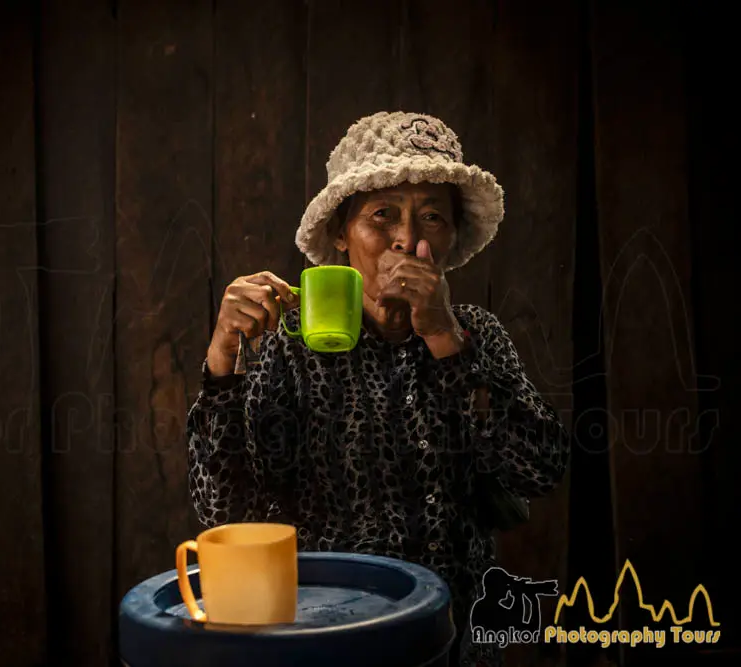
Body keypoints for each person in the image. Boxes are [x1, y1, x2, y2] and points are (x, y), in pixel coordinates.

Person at [185, 111, 570, 666]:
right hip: (327, 636)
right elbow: (224, 510)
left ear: (451, 238)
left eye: (431, 217)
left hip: (453, 636)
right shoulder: (290, 343)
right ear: (342, 235)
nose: (406, 239)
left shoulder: (475, 334)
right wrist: (222, 361)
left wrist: (444, 337)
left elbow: (539, 470)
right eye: (381, 215)